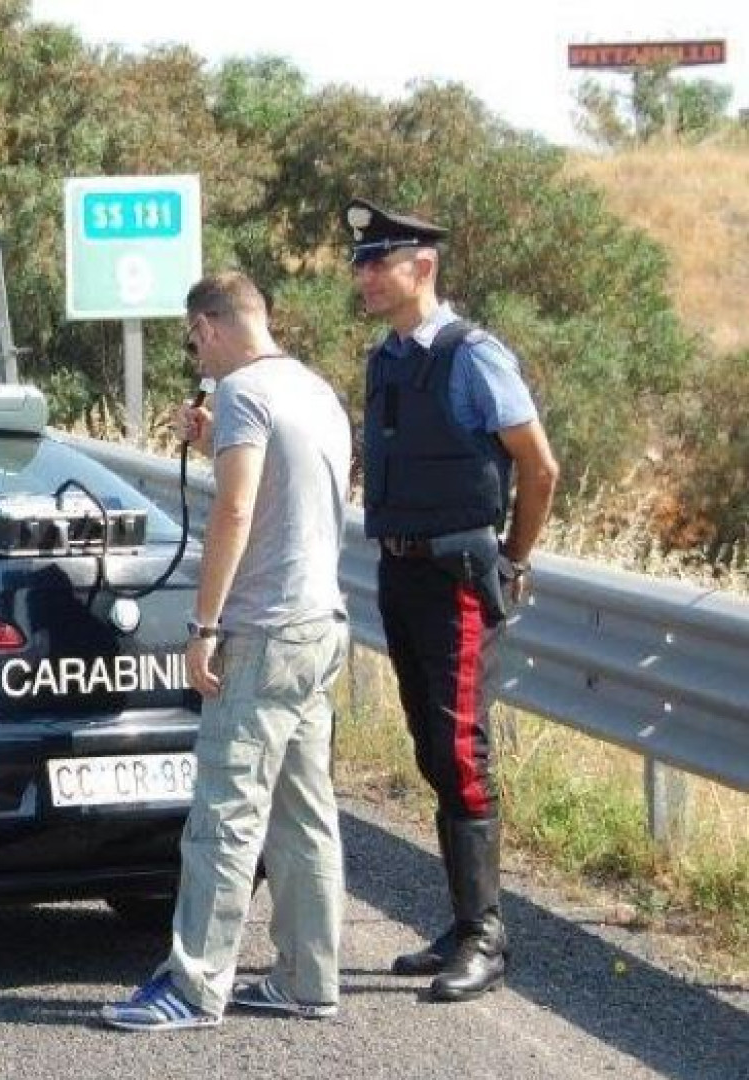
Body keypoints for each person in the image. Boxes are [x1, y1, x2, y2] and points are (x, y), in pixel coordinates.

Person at [99, 272, 352, 1031]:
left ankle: (195, 983)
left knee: (225, 813)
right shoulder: (313, 389)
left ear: (208, 326)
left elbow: (236, 510)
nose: (194, 353)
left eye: (192, 338)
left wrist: (204, 624)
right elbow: (287, 490)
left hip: (264, 628)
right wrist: (214, 444)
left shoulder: (243, 392)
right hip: (320, 623)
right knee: (303, 812)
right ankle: (309, 979)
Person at [346, 199, 559, 1002]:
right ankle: (462, 921)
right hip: (399, 571)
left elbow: (539, 469)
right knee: (434, 752)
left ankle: (486, 937)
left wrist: (513, 560)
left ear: (422, 266)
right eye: (360, 264)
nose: (364, 276)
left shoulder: (475, 357)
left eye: (377, 262)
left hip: (457, 576)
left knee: (463, 755)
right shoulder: (388, 357)